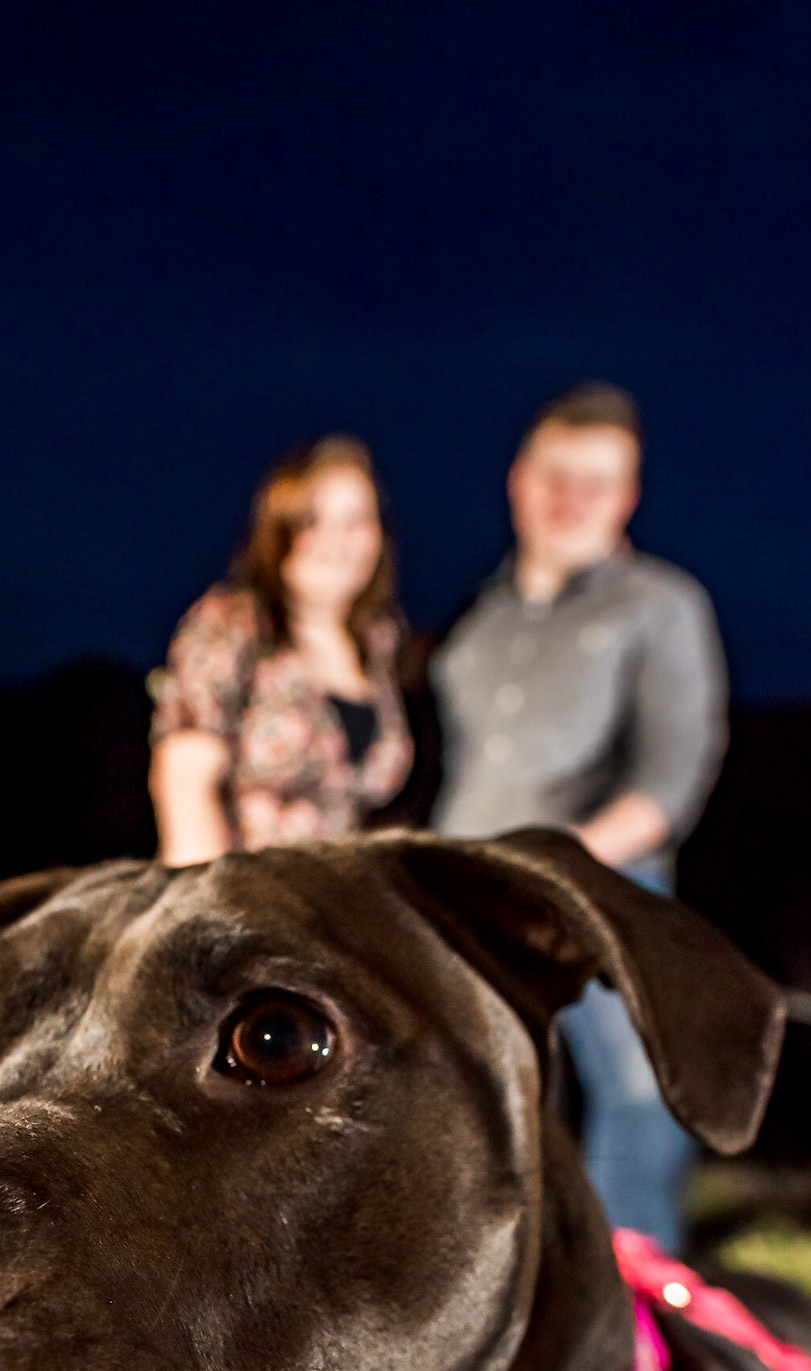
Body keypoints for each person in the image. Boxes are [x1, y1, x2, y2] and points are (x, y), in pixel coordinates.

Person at [430, 383, 728, 1250]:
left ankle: (627, 1287)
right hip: (460, 886)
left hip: (598, 883)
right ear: (521, 481)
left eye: (599, 483)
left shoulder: (658, 605)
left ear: (627, 496)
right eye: (558, 477)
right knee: (476, 1094)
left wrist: (562, 863)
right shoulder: (476, 625)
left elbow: (672, 776)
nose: (574, 501)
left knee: (639, 1093)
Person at [149, 437, 412, 865]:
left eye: (357, 520)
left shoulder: (379, 644)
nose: (338, 540)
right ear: (280, 531)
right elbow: (184, 781)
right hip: (242, 898)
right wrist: (207, 918)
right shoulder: (233, 622)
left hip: (333, 901)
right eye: (313, 521)